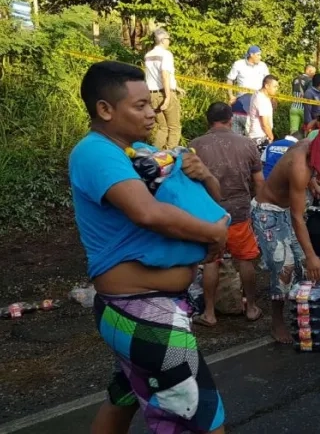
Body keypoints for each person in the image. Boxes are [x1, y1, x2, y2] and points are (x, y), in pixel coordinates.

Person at [71, 61, 228, 433]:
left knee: (122, 399)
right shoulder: (95, 153)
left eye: (151, 103)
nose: (151, 112)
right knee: (200, 420)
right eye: (139, 105)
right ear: (105, 109)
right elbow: (147, 213)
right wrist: (213, 234)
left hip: (147, 309)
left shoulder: (139, 153)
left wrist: (204, 175)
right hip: (143, 312)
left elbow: (211, 202)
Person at [252, 120, 320, 343]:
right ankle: (277, 322)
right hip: (268, 212)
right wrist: (312, 256)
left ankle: (303, 310)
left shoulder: (307, 144)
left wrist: (313, 184)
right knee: (286, 266)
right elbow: (298, 218)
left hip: (287, 209)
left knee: (301, 265)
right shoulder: (300, 165)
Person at [189, 102, 265, 327]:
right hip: (240, 212)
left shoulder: (195, 146)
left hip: (209, 214)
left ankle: (210, 313)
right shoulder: (247, 144)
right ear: (231, 119)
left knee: (212, 261)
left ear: (208, 120)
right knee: (245, 260)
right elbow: (259, 181)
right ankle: (251, 308)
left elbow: (190, 184)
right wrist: (259, 208)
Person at [144, 28, 181, 149]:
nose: (169, 41)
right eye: (168, 39)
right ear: (163, 40)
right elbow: (164, 75)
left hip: (152, 94)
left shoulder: (148, 55)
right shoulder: (166, 54)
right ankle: (170, 156)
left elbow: (154, 76)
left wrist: (176, 87)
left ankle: (155, 154)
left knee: (162, 128)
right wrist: (168, 97)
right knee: (174, 127)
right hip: (164, 93)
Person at [247, 75, 278, 147]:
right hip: (260, 138)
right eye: (275, 86)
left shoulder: (257, 94)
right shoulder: (261, 99)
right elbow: (264, 123)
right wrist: (271, 136)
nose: (276, 89)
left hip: (256, 136)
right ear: (267, 86)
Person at [290, 65, 316, 134]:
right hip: (304, 109)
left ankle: (293, 143)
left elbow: (293, 92)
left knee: (293, 130)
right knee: (308, 129)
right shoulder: (310, 81)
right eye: (313, 72)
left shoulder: (295, 79)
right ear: (308, 71)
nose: (314, 75)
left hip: (294, 107)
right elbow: (309, 95)